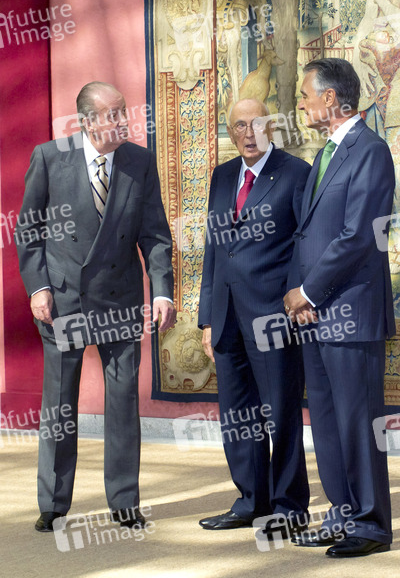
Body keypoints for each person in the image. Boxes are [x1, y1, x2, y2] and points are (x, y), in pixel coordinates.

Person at [15, 81, 176, 532]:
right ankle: (53, 502)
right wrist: (38, 287)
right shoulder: (50, 157)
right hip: (64, 299)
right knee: (60, 404)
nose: (124, 120)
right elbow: (28, 231)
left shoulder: (139, 161)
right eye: (113, 114)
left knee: (123, 403)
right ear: (87, 122)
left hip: (120, 300)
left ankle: (125, 502)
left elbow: (155, 235)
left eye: (124, 111)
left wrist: (161, 291)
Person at [284, 58, 395, 557]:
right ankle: (342, 514)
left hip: (351, 315)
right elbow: (306, 234)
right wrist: (301, 297)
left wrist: (308, 292)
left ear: (330, 98)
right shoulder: (325, 154)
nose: (300, 103)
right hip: (316, 316)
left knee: (357, 423)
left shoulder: (370, 151)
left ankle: (370, 526)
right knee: (327, 423)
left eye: (305, 94)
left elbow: (358, 237)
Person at [197, 98, 310, 532]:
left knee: (281, 414)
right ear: (230, 132)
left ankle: (289, 507)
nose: (249, 133)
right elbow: (214, 249)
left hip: (274, 317)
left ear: (271, 126)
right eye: (240, 125)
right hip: (226, 317)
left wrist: (294, 299)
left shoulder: (295, 173)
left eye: (257, 123)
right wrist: (208, 317)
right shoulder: (223, 175)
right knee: (238, 416)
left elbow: (304, 244)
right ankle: (251, 501)